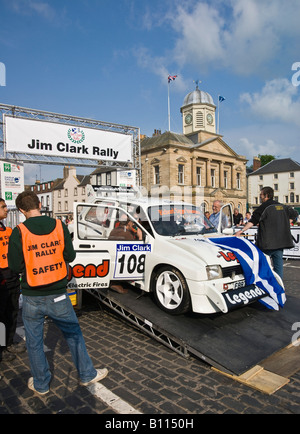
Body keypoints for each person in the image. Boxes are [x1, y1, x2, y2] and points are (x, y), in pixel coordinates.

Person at [7, 191, 108, 395]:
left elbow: (15, 266)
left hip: (32, 295)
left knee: (34, 342)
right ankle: (87, 374)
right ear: (39, 204)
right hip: (58, 293)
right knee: (73, 334)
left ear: (21, 210)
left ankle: (41, 384)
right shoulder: (59, 226)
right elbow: (70, 255)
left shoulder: (19, 231)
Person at [235, 187, 298, 279]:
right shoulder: (282, 206)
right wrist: (287, 221)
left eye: (261, 195)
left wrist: (241, 231)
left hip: (267, 243)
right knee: (278, 267)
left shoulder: (264, 207)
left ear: (266, 196)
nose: (260, 197)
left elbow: (252, 221)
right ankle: (278, 287)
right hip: (280, 243)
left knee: (262, 266)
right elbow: (294, 214)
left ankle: (264, 286)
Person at [0, 198, 25, 363]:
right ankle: (1, 348)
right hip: (1, 278)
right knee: (1, 316)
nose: (6, 209)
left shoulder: (7, 229)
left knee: (13, 311)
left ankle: (8, 343)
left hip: (12, 275)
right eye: (2, 207)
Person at [108, 215, 142, 294]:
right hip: (121, 265)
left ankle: (113, 282)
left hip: (113, 262)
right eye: (133, 223)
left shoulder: (114, 230)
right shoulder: (127, 235)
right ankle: (115, 283)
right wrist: (140, 237)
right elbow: (137, 250)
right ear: (129, 224)